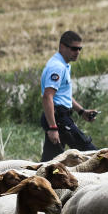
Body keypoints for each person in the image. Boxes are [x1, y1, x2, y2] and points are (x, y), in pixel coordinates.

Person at [40, 30, 98, 161]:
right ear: (62, 47)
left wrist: (81, 111)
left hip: (60, 117)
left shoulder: (64, 65)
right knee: (92, 154)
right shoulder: (57, 67)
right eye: (74, 48)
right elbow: (47, 97)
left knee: (49, 162)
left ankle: (36, 180)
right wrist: (53, 127)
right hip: (59, 119)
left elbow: (63, 96)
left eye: (79, 49)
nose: (77, 52)